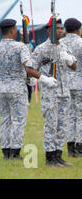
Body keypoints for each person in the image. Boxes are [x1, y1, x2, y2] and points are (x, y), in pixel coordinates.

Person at [0, 19, 52, 160]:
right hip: (17, 88)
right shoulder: (20, 47)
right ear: (13, 30)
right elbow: (28, 68)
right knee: (18, 120)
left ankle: (5, 151)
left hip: (2, 87)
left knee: (5, 120)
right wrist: (43, 78)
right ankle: (15, 151)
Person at [32, 17, 77, 167]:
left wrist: (69, 59)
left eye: (60, 28)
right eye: (56, 28)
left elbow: (75, 67)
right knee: (51, 125)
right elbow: (30, 68)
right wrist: (43, 78)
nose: (60, 31)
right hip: (51, 92)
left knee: (62, 125)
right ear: (48, 30)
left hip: (65, 92)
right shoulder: (41, 49)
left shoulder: (64, 47)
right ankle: (50, 157)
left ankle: (58, 156)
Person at [60, 18, 82, 157]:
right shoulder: (81, 43)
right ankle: (80, 147)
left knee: (68, 116)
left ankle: (70, 147)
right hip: (79, 83)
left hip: (65, 84)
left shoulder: (60, 43)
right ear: (78, 29)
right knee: (80, 116)